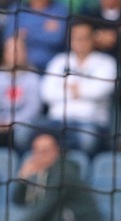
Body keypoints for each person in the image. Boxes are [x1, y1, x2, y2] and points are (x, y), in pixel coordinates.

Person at [11, 132, 102, 221]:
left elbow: (45, 207)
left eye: (45, 150)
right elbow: (19, 201)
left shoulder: (65, 172)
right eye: (37, 151)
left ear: (56, 150)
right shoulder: (42, 174)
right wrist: (23, 180)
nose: (40, 155)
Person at [40, 18, 117, 155]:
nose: (80, 42)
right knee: (23, 133)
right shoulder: (59, 61)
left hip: (91, 123)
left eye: (84, 37)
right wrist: (79, 91)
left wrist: (67, 88)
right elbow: (46, 93)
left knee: (87, 140)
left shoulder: (106, 62)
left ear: (93, 38)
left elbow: (100, 91)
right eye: (76, 38)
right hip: (56, 122)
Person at [4, 0, 68, 72]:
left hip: (51, 71)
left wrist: (26, 33)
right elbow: (9, 38)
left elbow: (57, 39)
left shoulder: (60, 10)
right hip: (20, 71)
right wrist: (43, 29)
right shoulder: (17, 9)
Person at [0, 34, 42, 151]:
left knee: (23, 134)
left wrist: (12, 122)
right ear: (5, 53)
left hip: (22, 125)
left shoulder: (33, 78)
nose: (15, 54)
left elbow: (33, 109)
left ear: (25, 53)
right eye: (12, 50)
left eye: (19, 50)